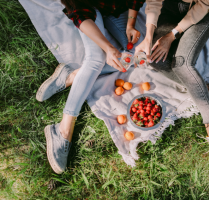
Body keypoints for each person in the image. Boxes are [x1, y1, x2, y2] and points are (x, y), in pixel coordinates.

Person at [36, 0, 145, 174]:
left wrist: (131, 24)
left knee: (139, 55)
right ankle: (63, 130)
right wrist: (107, 47)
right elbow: (80, 13)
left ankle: (73, 75)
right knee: (96, 59)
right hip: (88, 7)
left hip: (115, 8)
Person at [135, 0, 209, 175]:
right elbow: (154, 2)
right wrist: (148, 37)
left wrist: (171, 35)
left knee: (182, 64)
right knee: (155, 60)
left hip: (202, 12)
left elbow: (203, 6)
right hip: (170, 10)